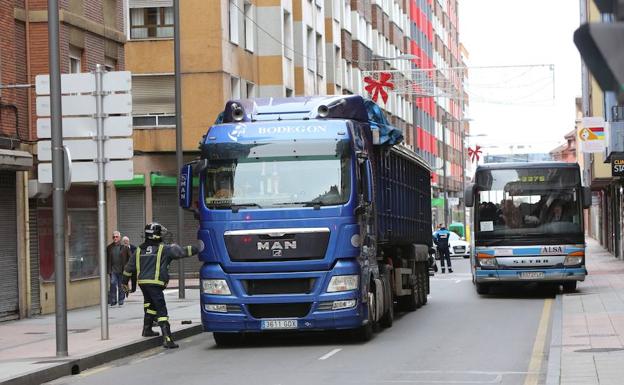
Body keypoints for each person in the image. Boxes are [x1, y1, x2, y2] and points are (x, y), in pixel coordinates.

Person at [121, 223, 200, 349]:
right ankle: (167, 338)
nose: (163, 236)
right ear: (156, 235)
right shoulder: (165, 249)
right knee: (161, 308)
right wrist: (200, 247)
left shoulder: (139, 250)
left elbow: (128, 269)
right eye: (161, 233)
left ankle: (147, 329)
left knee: (150, 304)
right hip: (155, 283)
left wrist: (124, 283)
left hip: (143, 283)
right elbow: (183, 252)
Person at [106, 230, 131, 306]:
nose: (115, 238)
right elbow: (107, 259)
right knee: (113, 283)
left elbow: (130, 258)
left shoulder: (124, 248)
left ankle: (121, 300)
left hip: (122, 270)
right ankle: (113, 300)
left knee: (121, 285)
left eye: (116, 237)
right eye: (113, 237)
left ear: (119, 238)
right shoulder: (109, 248)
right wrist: (108, 269)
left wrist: (128, 268)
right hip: (113, 270)